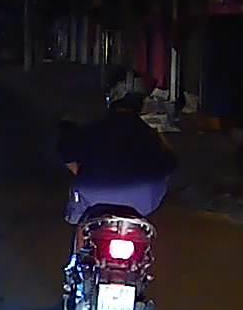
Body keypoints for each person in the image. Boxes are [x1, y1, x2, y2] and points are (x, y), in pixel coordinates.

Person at [58, 91, 177, 268]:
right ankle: (139, 265)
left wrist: (82, 173)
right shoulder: (150, 134)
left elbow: (66, 152)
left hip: (94, 196)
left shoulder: (93, 130)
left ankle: (77, 263)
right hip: (141, 202)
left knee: (83, 223)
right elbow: (170, 164)